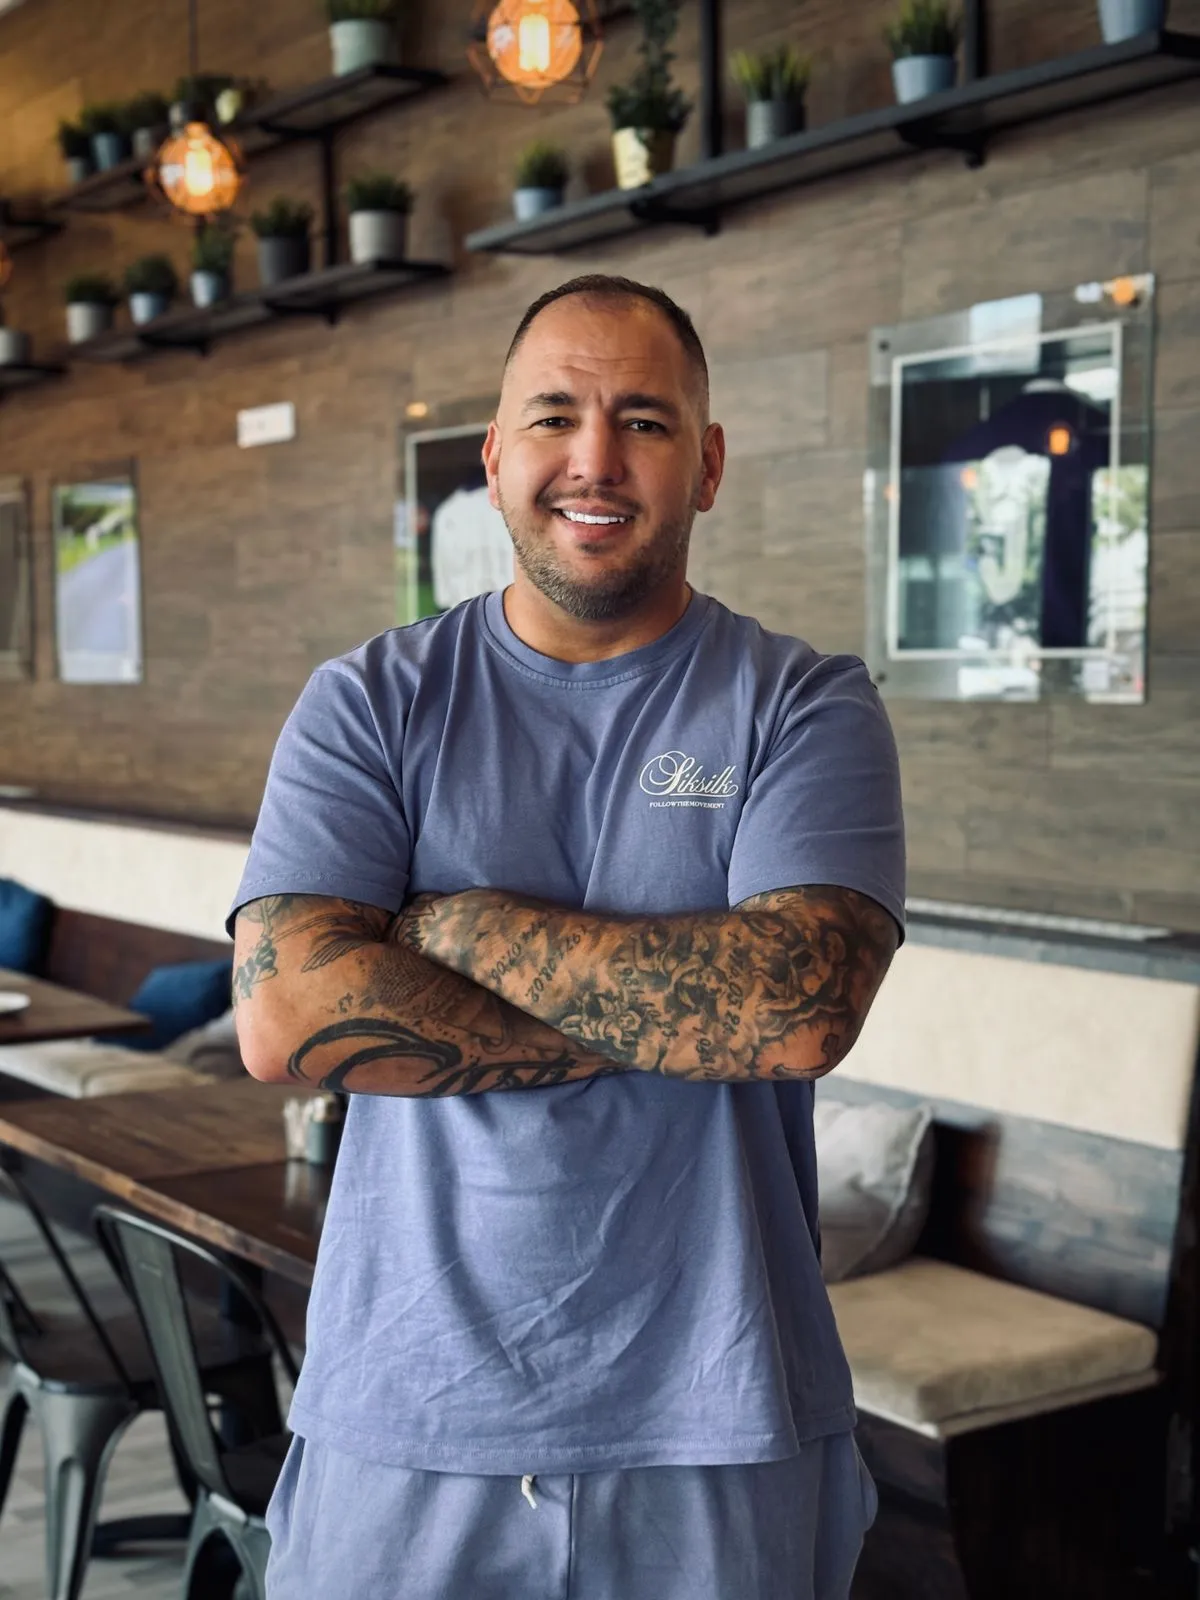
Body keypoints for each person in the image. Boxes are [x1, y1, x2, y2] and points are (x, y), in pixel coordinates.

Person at [230, 272, 906, 1600]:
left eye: (645, 421)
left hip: (720, 1416)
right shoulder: (370, 701)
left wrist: (458, 929)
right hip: (407, 1413)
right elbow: (287, 1016)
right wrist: (680, 1018)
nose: (595, 458)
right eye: (555, 416)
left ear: (708, 465)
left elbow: (794, 1011)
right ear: (494, 459)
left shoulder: (805, 704)